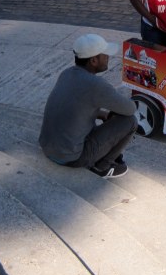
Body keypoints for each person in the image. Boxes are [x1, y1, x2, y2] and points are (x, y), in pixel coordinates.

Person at [39, 34, 137, 179]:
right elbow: (130, 109)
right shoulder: (96, 85)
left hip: (47, 148)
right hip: (72, 158)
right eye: (105, 54)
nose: (108, 57)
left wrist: (103, 113)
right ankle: (102, 167)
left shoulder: (66, 73)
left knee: (109, 115)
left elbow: (77, 106)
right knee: (130, 121)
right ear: (94, 60)